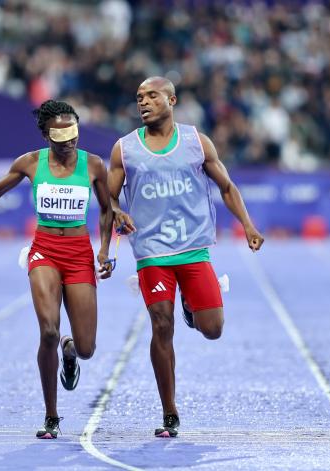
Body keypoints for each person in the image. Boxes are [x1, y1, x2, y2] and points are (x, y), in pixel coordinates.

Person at [107, 77, 264, 437]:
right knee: (161, 326)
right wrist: (116, 211)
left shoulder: (196, 141)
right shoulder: (125, 149)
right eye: (139, 97)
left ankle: (192, 308)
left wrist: (248, 225)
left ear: (171, 100)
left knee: (213, 330)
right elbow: (109, 198)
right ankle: (169, 411)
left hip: (194, 248)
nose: (143, 102)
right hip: (152, 253)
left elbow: (226, 186)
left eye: (151, 96)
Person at [0, 100, 114, 439]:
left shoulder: (95, 165)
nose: (68, 140)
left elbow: (106, 210)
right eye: (60, 134)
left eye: (73, 132)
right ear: (46, 135)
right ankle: (52, 416)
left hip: (78, 253)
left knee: (86, 348)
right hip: (45, 251)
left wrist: (103, 250)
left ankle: (71, 349)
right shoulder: (30, 162)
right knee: (47, 333)